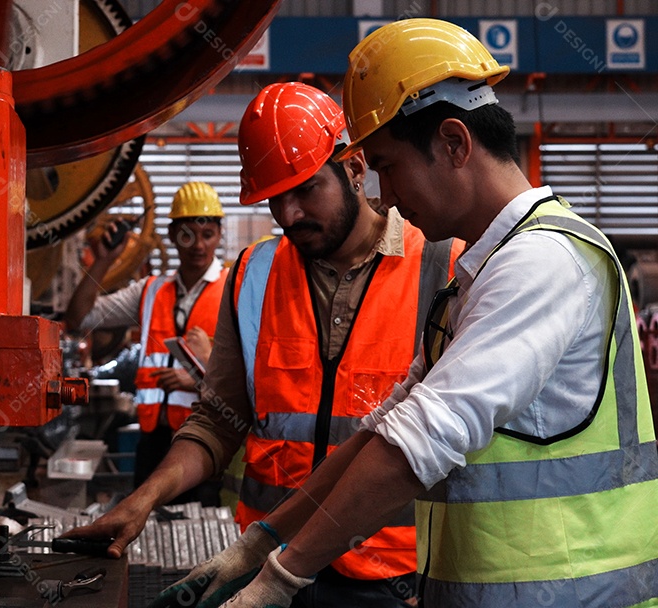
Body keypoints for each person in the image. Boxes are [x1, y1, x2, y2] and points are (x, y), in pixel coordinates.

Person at [204, 19, 658, 608]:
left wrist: (280, 579)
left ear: (453, 143)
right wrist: (262, 540)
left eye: (388, 166)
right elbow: (385, 429)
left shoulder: (544, 261)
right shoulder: (478, 276)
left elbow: (421, 439)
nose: (386, 196)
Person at [66, 82, 462, 607]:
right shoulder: (254, 274)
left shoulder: (443, 266)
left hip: (394, 577)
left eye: (305, 190)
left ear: (353, 167)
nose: (289, 214)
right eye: (275, 198)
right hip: (264, 570)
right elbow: (218, 420)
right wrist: (143, 500)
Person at [65, 182, 227, 506]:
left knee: (198, 529)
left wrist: (198, 379)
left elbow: (252, 378)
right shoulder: (150, 291)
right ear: (172, 235)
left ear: (219, 236)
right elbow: (79, 318)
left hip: (206, 444)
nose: (198, 245)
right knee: (147, 523)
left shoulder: (233, 292)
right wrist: (103, 260)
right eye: (188, 235)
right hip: (153, 445)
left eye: (207, 234)